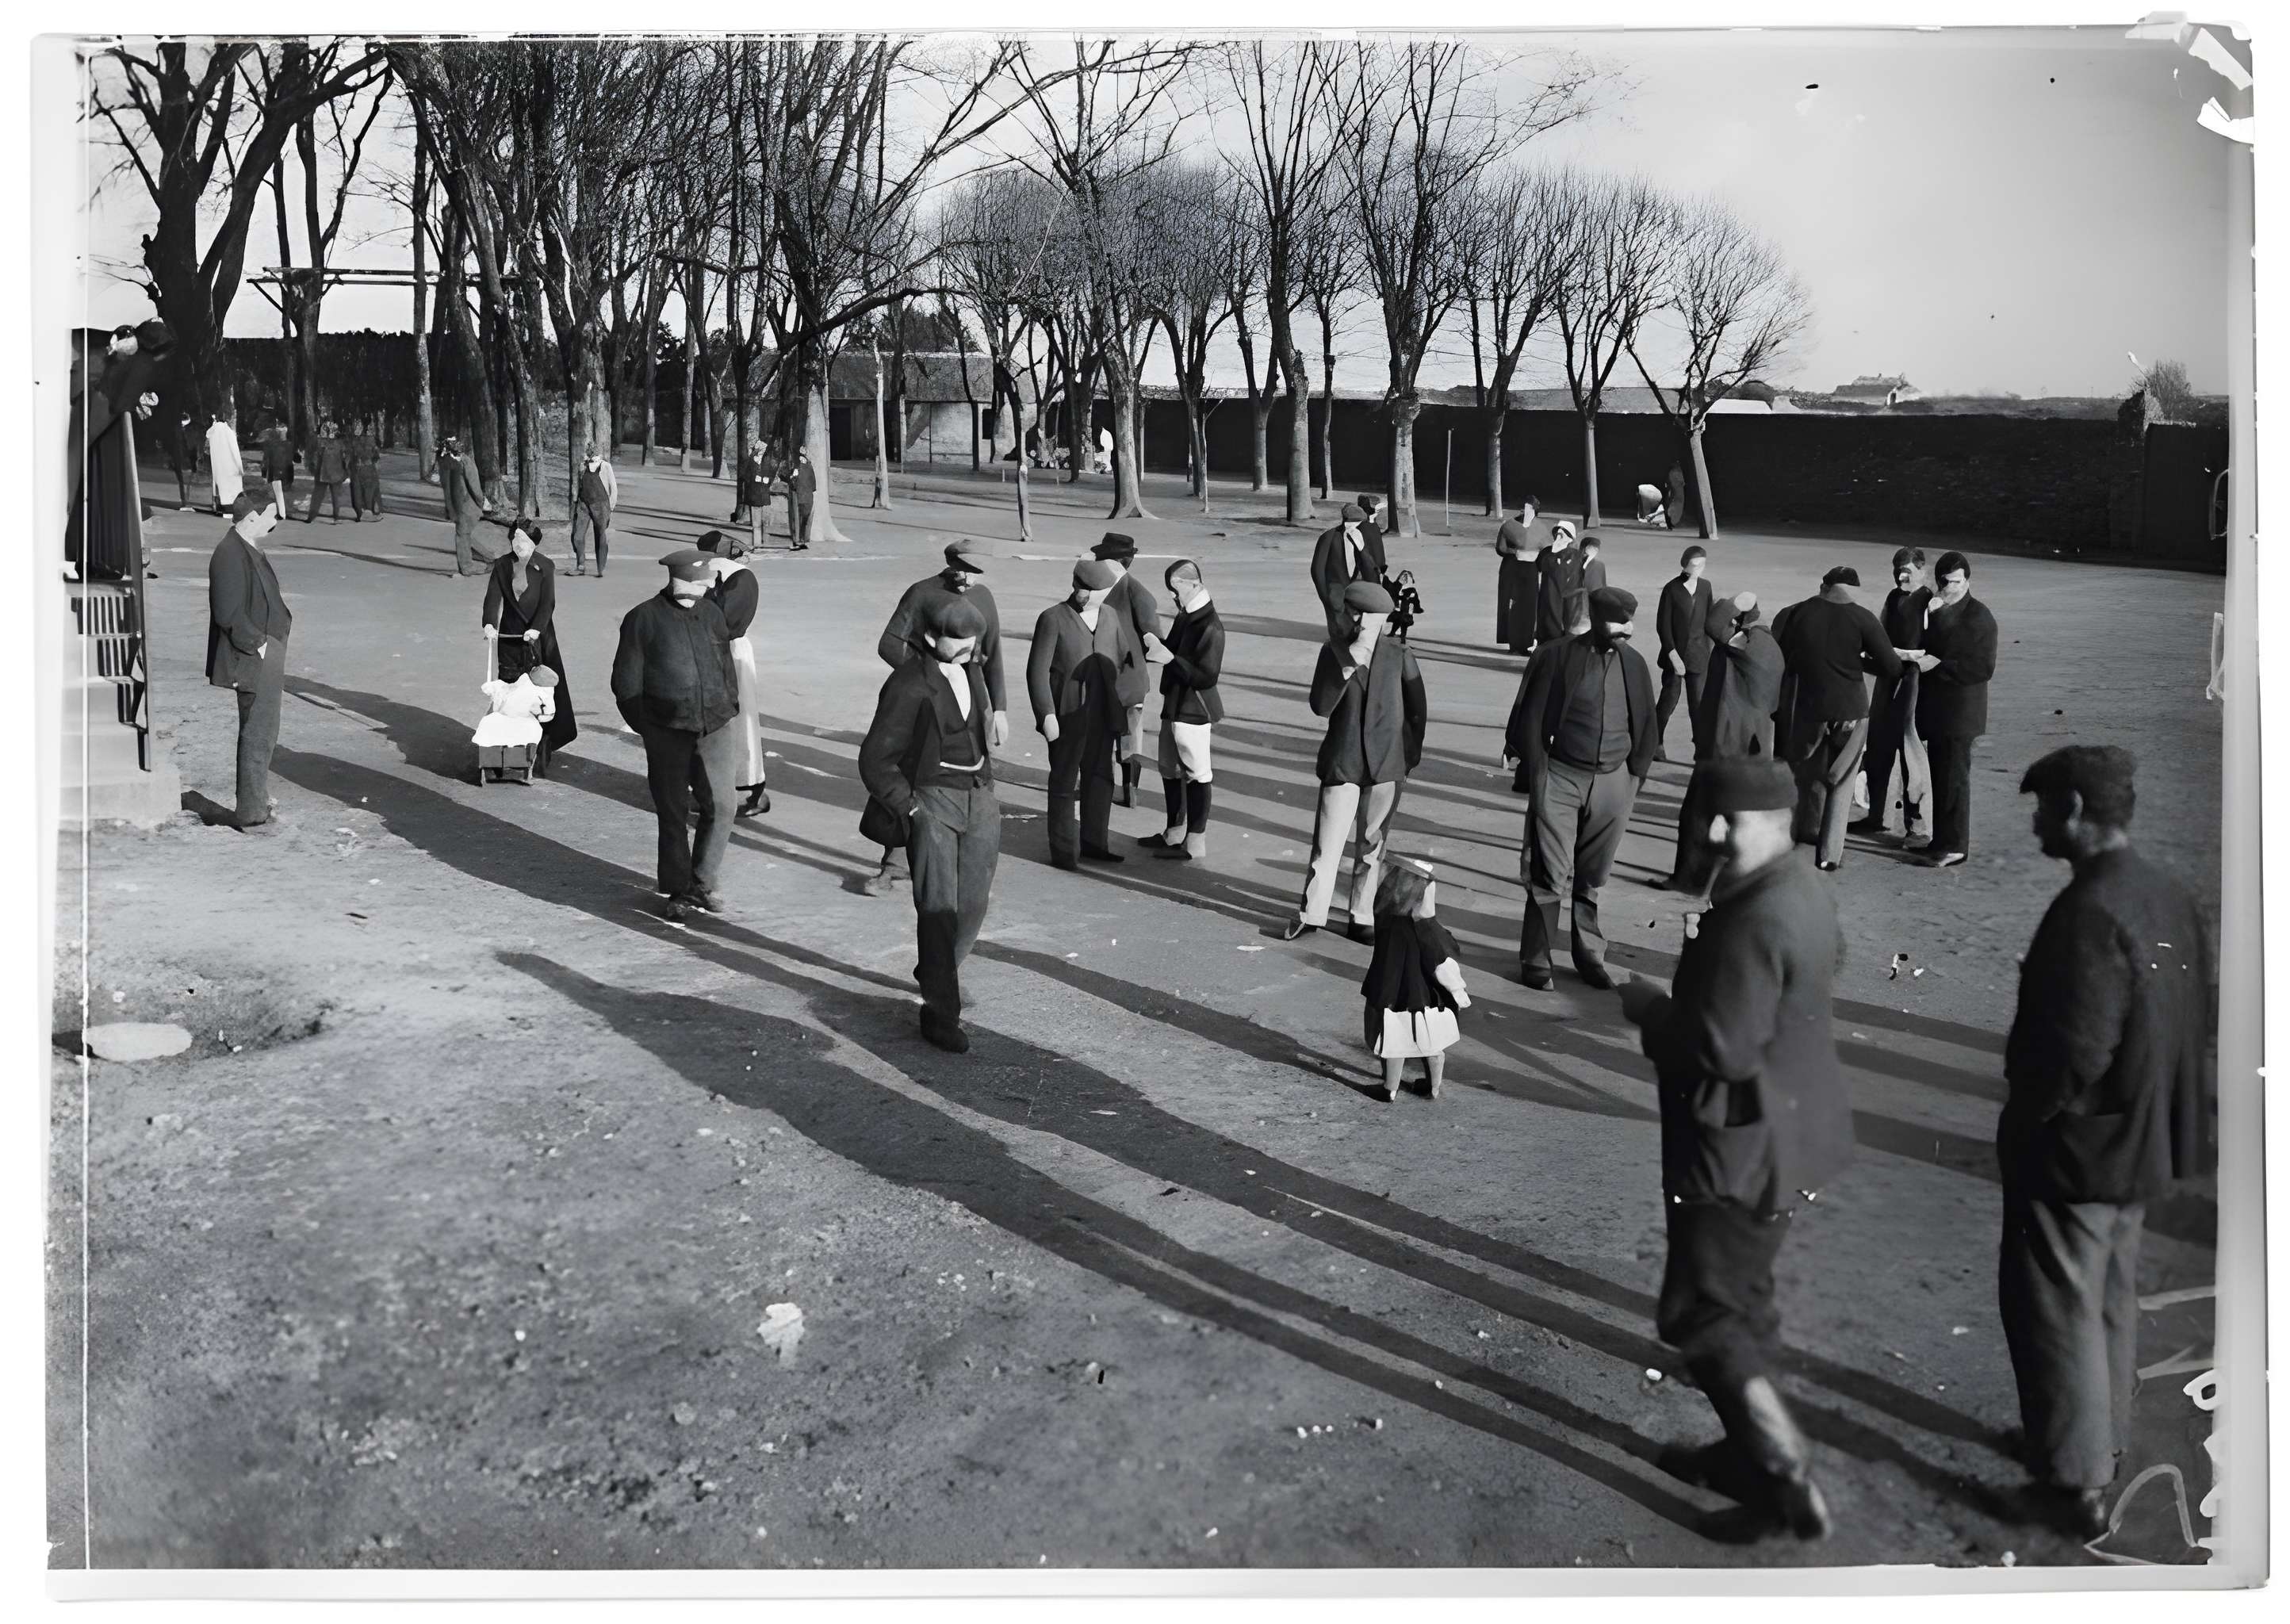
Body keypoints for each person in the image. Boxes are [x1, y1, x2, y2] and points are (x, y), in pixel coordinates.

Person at [1618, 756, 1854, 1545]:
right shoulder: (1801, 886)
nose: (1713, 832)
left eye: (1730, 821)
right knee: (1744, 1297)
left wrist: (1653, 1008)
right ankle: (1745, 1449)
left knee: (1700, 1313)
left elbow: (1718, 1046)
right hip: (1794, 1132)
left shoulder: (1753, 918)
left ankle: (1779, 1474)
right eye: (1708, 815)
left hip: (1735, 1148)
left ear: (1776, 820)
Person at [1999, 746, 2213, 1540]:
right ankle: (2101, 1439)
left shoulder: (2087, 911)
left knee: (2057, 1308)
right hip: (2142, 1137)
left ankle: (2071, 1481)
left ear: (2078, 813)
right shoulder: (2163, 892)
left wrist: (2030, 1117)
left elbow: (2072, 1049)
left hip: (2078, 1149)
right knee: (2108, 1295)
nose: (2034, 824)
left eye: (2044, 809)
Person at [858, 595, 1001, 1054]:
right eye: (956, 642)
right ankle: (939, 1012)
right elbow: (875, 759)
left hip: (978, 797)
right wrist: (913, 809)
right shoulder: (908, 684)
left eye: (972, 644)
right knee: (938, 909)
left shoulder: (974, 671)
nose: (966, 651)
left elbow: (977, 727)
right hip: (932, 800)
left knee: (974, 903)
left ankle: (941, 973)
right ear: (928, 638)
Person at [1507, 584, 1656, 990]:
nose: (1627, 629)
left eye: (1631, 622)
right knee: (1548, 873)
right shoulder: (1557, 656)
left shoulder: (1635, 663)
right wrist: (1539, 774)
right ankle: (1537, 959)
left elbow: (1647, 723)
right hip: (1560, 777)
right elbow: (1529, 718)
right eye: (1619, 622)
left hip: (1614, 781)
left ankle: (1589, 954)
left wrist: (1632, 779)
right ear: (1596, 617)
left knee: (1592, 875)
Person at [1282, 581, 1427, 944]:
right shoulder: (1333, 653)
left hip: (1387, 766)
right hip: (1344, 762)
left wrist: (1408, 758)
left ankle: (1361, 916)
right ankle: (1312, 913)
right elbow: (1321, 705)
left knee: (1372, 845)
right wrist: (1350, 662)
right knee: (1327, 845)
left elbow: (1417, 713)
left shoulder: (1400, 655)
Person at [867, 542, 1009, 896]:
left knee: (974, 776)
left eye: (975, 573)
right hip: (925, 704)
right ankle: (894, 864)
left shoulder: (984, 598)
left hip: (971, 699)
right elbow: (889, 644)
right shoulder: (922, 593)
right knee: (914, 778)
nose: (967, 579)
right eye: (961, 569)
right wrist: (924, 680)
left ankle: (960, 863)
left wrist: (999, 710)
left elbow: (994, 657)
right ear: (948, 563)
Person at [611, 548, 742, 923]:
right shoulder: (643, 619)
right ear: (685, 578)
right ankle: (677, 890)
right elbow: (626, 685)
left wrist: (729, 704)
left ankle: (703, 880)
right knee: (673, 812)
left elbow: (725, 664)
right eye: (704, 580)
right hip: (667, 732)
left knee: (723, 806)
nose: (709, 585)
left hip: (715, 725)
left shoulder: (712, 613)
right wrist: (650, 729)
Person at [1771, 566, 1901, 873]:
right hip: (1850, 711)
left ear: (1823, 586)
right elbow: (1892, 667)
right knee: (1841, 782)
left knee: (1806, 772)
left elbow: (1783, 656)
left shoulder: (1798, 613)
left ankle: (1800, 833)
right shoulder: (1863, 618)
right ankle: (1830, 853)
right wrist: (1856, 661)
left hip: (1808, 709)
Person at [1028, 558, 1143, 871]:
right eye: (1090, 591)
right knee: (1064, 782)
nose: (1094, 597)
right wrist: (1046, 714)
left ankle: (1095, 844)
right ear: (1077, 587)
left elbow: (1122, 659)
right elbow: (1037, 673)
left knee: (1100, 779)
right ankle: (1064, 851)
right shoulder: (1052, 619)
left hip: (1103, 714)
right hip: (1066, 716)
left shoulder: (1110, 616)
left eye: (1100, 592)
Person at [1668, 592, 1783, 898]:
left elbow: (1712, 624)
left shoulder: (1741, 644)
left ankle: (1690, 880)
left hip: (1725, 739)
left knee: (1698, 813)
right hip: (1755, 741)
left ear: (1737, 621)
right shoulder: (1769, 646)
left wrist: (1737, 601)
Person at [205, 490, 292, 830]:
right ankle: (252, 812)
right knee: (257, 732)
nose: (275, 522)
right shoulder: (228, 554)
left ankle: (256, 798)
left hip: (266, 650)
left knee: (266, 730)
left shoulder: (247, 545)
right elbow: (227, 612)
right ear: (252, 518)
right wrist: (259, 645)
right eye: (271, 515)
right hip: (253, 657)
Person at [65, 320, 172, 582]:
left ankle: (92, 558)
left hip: (105, 433)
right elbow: (122, 400)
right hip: (108, 434)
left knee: (98, 495)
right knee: (108, 496)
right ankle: (104, 559)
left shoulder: (123, 360)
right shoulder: (141, 364)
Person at [1911, 551, 1998, 869]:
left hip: (1962, 715)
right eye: (1945, 582)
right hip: (1938, 711)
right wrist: (1927, 618)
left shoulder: (1979, 616)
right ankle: (1941, 841)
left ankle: (1957, 848)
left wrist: (1940, 665)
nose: (1950, 588)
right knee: (1941, 779)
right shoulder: (1937, 609)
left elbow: (1983, 668)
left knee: (1956, 781)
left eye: (1957, 582)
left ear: (1968, 581)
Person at [1360, 857, 1471, 1103]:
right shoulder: (1427, 929)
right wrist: (1457, 990)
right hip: (1424, 995)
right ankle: (1432, 1087)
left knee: (1394, 1041)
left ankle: (1389, 1088)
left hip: (1389, 990)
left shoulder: (1387, 918)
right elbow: (1443, 963)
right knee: (1430, 1044)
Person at [1140, 558, 1224, 861]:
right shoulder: (1188, 616)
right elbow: (1171, 652)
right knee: (1170, 769)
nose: (1174, 597)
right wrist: (1153, 645)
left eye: (1176, 591)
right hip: (1175, 705)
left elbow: (1206, 677)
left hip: (1193, 710)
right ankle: (1174, 832)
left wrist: (1168, 658)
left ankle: (1195, 842)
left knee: (1198, 773)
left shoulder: (1210, 625)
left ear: (1194, 585)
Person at [482, 519, 579, 775]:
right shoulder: (502, 565)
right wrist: (490, 625)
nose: (518, 544)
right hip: (510, 639)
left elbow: (548, 603)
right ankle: (508, 750)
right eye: (514, 540)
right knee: (511, 693)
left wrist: (536, 627)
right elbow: (493, 598)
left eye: (523, 540)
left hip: (540, 637)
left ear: (534, 542)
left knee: (542, 695)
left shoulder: (545, 566)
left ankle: (543, 749)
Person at [1853, 548, 1935, 849]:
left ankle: (1917, 827)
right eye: (1897, 570)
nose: (1901, 576)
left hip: (1914, 680)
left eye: (1908, 571)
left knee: (1911, 752)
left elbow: (1933, 644)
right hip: (1889, 677)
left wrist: (1910, 657)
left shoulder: (1929, 601)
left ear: (1922, 572)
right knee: (1879, 745)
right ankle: (1878, 816)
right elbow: (1881, 633)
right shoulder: (1892, 598)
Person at [698, 528, 768, 818]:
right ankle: (746, 788)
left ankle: (723, 789)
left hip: (710, 650)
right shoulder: (741, 577)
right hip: (733, 650)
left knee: (718, 723)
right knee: (741, 722)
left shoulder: (702, 572)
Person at [1092, 532, 1162, 808]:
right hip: (1100, 677)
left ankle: (1130, 790)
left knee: (1130, 740)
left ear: (1120, 562)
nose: (1097, 561)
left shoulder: (1136, 591)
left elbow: (1154, 638)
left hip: (1128, 681)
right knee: (1101, 736)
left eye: (1103, 558)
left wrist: (1131, 655)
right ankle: (1102, 785)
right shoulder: (1097, 585)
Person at [1655, 546, 1717, 763]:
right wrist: (1673, 656)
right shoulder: (1671, 589)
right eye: (1694, 565)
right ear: (1684, 565)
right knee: (1668, 701)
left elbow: (1710, 622)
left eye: (1701, 565)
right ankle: (1656, 742)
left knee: (1699, 705)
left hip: (1698, 656)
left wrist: (1711, 651)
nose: (1698, 569)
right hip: (1675, 656)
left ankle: (1701, 749)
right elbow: (1663, 626)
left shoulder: (1706, 587)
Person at [1312, 503, 1389, 644]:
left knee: (1363, 610)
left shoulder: (1362, 536)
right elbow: (1317, 569)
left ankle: (1359, 635)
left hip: (1358, 581)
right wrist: (1324, 593)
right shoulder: (1329, 537)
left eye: (1359, 524)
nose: (1355, 527)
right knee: (1336, 609)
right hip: (1335, 583)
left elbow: (1372, 567)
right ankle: (1339, 636)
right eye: (1352, 523)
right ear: (1345, 521)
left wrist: (1362, 549)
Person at [438, 435, 497, 576]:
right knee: (464, 534)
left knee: (463, 534)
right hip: (466, 505)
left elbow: (446, 486)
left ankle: (473, 564)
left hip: (460, 505)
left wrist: (449, 507)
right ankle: (479, 563)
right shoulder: (465, 462)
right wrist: (482, 502)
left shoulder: (445, 462)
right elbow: (474, 486)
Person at [1494, 498, 1541, 656]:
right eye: (1523, 508)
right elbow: (1500, 547)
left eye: (1528, 508)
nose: (1524, 511)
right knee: (1511, 605)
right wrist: (1516, 552)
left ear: (1535, 510)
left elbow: (1547, 549)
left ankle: (1526, 643)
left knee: (1528, 606)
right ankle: (1513, 644)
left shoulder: (1540, 528)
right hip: (1511, 568)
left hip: (1530, 570)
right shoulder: (1509, 525)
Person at [1534, 520, 1585, 647]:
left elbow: (1574, 574)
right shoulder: (1546, 552)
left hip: (1569, 598)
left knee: (1565, 626)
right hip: (1547, 594)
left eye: (1562, 534)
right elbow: (1540, 567)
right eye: (1557, 533)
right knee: (1546, 624)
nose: (1558, 536)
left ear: (1570, 537)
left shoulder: (1576, 555)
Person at [573, 446, 618, 576]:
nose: (590, 453)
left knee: (600, 536)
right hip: (583, 505)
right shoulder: (582, 466)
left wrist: (611, 507)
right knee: (578, 537)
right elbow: (578, 485)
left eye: (592, 451)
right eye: (588, 450)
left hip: (601, 505)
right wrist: (576, 501)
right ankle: (580, 566)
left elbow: (613, 488)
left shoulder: (605, 466)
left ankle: (600, 569)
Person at [736, 441, 779, 554]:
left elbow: (771, 474)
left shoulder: (766, 461)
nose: (764, 452)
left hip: (764, 494)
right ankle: (757, 545)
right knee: (756, 523)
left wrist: (767, 480)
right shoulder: (751, 461)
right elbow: (745, 476)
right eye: (763, 450)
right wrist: (755, 479)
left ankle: (764, 543)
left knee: (765, 521)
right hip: (754, 494)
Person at [307, 422, 352, 523]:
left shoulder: (320, 442)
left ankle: (311, 517)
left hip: (322, 473)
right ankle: (336, 517)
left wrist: (313, 468)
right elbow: (346, 458)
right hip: (336, 473)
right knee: (336, 496)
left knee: (318, 496)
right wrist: (346, 470)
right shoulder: (340, 443)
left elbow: (313, 457)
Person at [205, 412, 245, 515]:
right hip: (231, 464)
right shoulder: (229, 432)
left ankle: (221, 506)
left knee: (221, 485)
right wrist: (239, 466)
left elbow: (207, 443)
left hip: (219, 463)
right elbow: (234, 450)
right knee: (232, 486)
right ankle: (232, 507)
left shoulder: (214, 431)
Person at [258, 419, 296, 517]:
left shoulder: (271, 445)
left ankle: (282, 513)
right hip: (287, 471)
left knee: (278, 493)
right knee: (282, 492)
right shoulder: (290, 444)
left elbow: (266, 459)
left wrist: (264, 473)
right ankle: (284, 511)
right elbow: (295, 459)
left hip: (275, 471)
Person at [347, 420, 384, 519]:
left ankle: (366, 512)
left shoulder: (362, 441)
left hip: (365, 469)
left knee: (365, 491)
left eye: (358, 427)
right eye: (355, 427)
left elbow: (376, 456)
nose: (356, 429)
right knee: (360, 492)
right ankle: (363, 512)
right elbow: (348, 457)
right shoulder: (354, 441)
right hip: (360, 469)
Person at [790, 448, 816, 550]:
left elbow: (813, 482)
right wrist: (793, 477)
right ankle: (799, 540)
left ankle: (802, 539)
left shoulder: (809, 466)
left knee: (805, 518)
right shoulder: (797, 467)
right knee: (800, 519)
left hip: (807, 495)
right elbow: (793, 483)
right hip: (801, 496)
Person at [1666, 463, 1689, 532]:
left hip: (1676, 488)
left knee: (1675, 502)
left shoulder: (1673, 472)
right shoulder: (1676, 472)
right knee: (1676, 502)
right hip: (1677, 489)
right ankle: (1670, 522)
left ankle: (1670, 522)